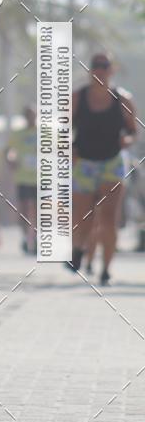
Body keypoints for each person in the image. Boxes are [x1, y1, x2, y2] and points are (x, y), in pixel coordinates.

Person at [69, 53, 138, 285]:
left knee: (109, 218)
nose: (99, 70)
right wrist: (68, 150)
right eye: (95, 66)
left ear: (111, 71)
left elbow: (133, 131)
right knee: (84, 216)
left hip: (112, 162)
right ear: (90, 71)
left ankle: (106, 269)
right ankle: (78, 249)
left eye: (104, 66)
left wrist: (127, 141)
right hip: (84, 163)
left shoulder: (123, 99)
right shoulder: (77, 97)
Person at [5, 106, 38, 254]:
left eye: (33, 115)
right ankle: (26, 238)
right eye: (28, 115)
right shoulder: (18, 134)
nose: (31, 118)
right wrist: (10, 160)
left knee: (38, 209)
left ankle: (36, 238)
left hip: (40, 178)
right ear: (25, 117)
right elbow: (8, 150)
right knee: (24, 209)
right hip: (23, 177)